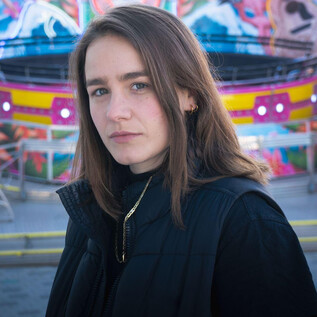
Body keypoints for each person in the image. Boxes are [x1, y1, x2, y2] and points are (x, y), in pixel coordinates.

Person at [46, 4, 317, 317]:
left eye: (139, 85)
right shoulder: (91, 209)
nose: (114, 112)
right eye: (99, 91)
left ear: (190, 93)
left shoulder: (245, 220)